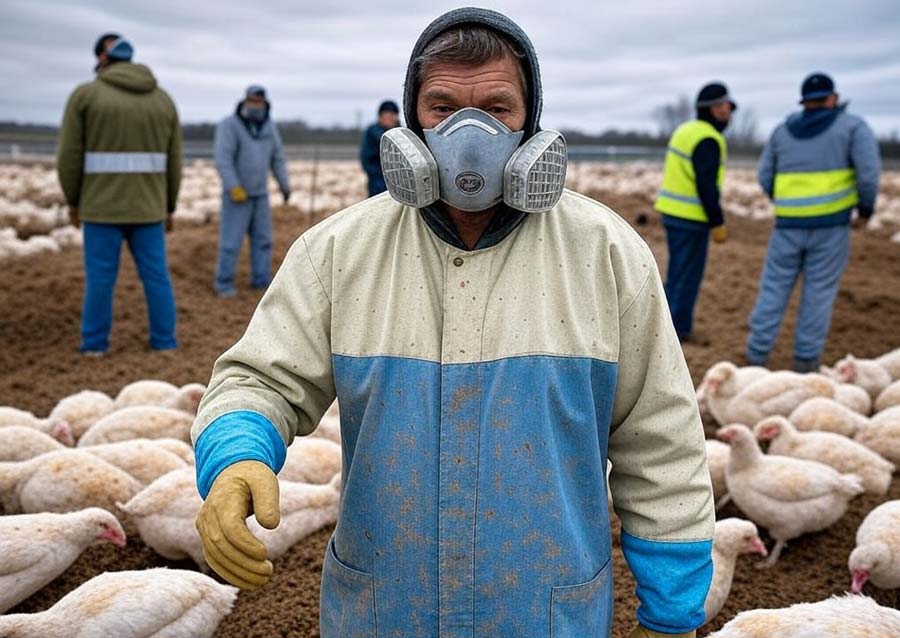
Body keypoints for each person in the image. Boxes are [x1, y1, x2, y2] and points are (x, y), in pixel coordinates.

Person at [191, 8, 713, 638]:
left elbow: (661, 441)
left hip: (544, 614)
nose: (471, 131)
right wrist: (236, 458)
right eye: (442, 108)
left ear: (532, 124)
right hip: (386, 613)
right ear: (412, 124)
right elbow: (259, 380)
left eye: (498, 107)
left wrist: (674, 612)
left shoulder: (605, 254)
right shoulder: (338, 251)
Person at [747, 73, 881, 372]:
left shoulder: (782, 132)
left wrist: (784, 202)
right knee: (818, 293)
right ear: (833, 98)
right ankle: (805, 362)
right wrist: (866, 210)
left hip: (787, 226)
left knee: (773, 288)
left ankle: (756, 356)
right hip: (831, 228)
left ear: (804, 100)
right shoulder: (852, 127)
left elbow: (764, 175)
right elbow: (869, 173)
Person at [57, 34, 181, 355]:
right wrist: (168, 206)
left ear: (102, 58)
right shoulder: (163, 100)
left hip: (100, 210)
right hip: (149, 210)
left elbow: (69, 155)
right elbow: (174, 161)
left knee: (100, 280)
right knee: (156, 277)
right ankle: (164, 342)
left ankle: (95, 345)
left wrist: (73, 201)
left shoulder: (86, 96)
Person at [654, 82, 735, 342]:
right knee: (687, 276)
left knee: (677, 272)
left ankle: (663, 324)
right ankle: (676, 330)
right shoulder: (707, 138)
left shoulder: (685, 130)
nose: (728, 110)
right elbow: (706, 184)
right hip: (692, 217)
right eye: (722, 106)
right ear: (710, 109)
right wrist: (717, 221)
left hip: (672, 212)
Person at [212, 85, 291, 298]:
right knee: (231, 242)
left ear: (265, 104)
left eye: (259, 102)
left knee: (263, 240)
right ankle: (224, 284)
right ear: (244, 101)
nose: (255, 105)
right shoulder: (229, 126)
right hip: (237, 196)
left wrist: (284, 185)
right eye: (251, 101)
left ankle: (260, 280)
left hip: (260, 195)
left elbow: (277, 158)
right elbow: (223, 159)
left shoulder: (269, 128)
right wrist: (233, 186)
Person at [359, 99, 400, 196]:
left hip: (398, 183)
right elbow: (367, 158)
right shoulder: (373, 132)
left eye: (393, 115)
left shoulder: (400, 132)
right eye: (388, 115)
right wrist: (376, 176)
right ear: (380, 116)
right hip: (378, 181)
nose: (391, 118)